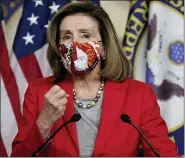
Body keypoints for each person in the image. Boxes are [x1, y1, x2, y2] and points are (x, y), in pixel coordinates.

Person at [11, 1, 179, 157]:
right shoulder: (38, 91)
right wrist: (45, 121)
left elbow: (163, 153)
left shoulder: (139, 94)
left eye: (85, 35)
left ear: (103, 48)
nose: (75, 43)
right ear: (58, 48)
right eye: (67, 37)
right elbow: (19, 155)